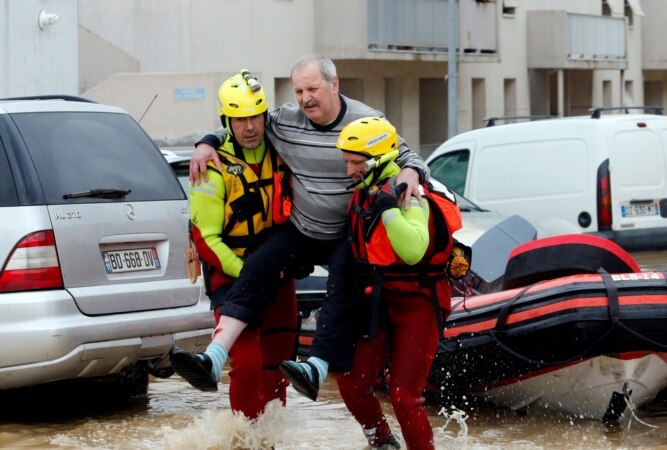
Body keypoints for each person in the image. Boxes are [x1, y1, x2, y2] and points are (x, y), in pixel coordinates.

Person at [171, 55, 429, 399]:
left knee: (340, 286)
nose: (305, 98)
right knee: (260, 264)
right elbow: (244, 124)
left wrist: (412, 172)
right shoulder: (284, 121)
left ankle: (317, 366)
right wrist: (206, 142)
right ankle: (214, 357)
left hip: (344, 232)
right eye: (298, 91)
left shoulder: (368, 120)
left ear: (334, 84)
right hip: (303, 229)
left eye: (313, 88)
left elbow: (408, 155)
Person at [169, 72, 297, 420]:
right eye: (240, 118)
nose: (250, 126)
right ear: (227, 120)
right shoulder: (210, 166)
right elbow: (206, 240)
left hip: (279, 272)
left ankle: (270, 441)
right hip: (233, 274)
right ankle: (244, 439)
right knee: (249, 365)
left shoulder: (282, 150)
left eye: (256, 116)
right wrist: (250, 274)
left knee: (279, 367)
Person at [329, 116, 457, 450]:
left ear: (378, 159)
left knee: (403, 395)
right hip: (378, 301)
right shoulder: (364, 192)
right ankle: (383, 441)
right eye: (347, 162)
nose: (348, 171)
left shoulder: (409, 194)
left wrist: (388, 210)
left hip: (418, 303)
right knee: (351, 382)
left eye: (355, 163)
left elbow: (413, 250)